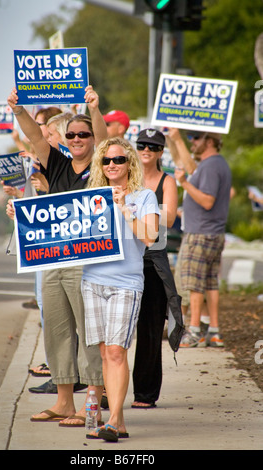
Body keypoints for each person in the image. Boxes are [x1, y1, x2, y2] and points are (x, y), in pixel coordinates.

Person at [6, 85, 107, 426]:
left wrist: (93, 108)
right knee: (58, 330)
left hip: (88, 262)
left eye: (84, 134)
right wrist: (19, 111)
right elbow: (36, 137)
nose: (78, 138)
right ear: (65, 137)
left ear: (92, 138)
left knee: (89, 332)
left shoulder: (102, 165)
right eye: (73, 134)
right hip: (53, 259)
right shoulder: (57, 163)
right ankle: (64, 401)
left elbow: (105, 140)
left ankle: (91, 402)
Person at [83, 137, 160, 442]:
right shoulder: (91, 197)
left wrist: (125, 209)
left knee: (117, 350)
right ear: (100, 165)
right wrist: (18, 216)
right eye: (106, 160)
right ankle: (120, 421)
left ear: (129, 162)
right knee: (105, 352)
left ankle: (113, 419)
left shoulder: (144, 197)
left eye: (118, 159)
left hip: (126, 283)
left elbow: (151, 237)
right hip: (92, 281)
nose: (112, 165)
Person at [131, 128, 183, 409]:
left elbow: (171, 217)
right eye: (142, 145)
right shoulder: (126, 176)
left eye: (153, 146)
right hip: (124, 261)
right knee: (114, 331)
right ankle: (102, 390)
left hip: (152, 261)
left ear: (161, 152)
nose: (146, 150)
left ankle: (145, 393)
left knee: (150, 331)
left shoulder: (167, 181)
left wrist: (140, 209)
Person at [174, 131, 232, 347]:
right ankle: (214, 332)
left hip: (200, 233)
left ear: (210, 142)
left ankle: (195, 330)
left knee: (195, 284)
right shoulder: (217, 164)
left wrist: (184, 183)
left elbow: (207, 201)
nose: (193, 142)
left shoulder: (210, 166)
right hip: (212, 233)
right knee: (210, 284)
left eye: (196, 138)